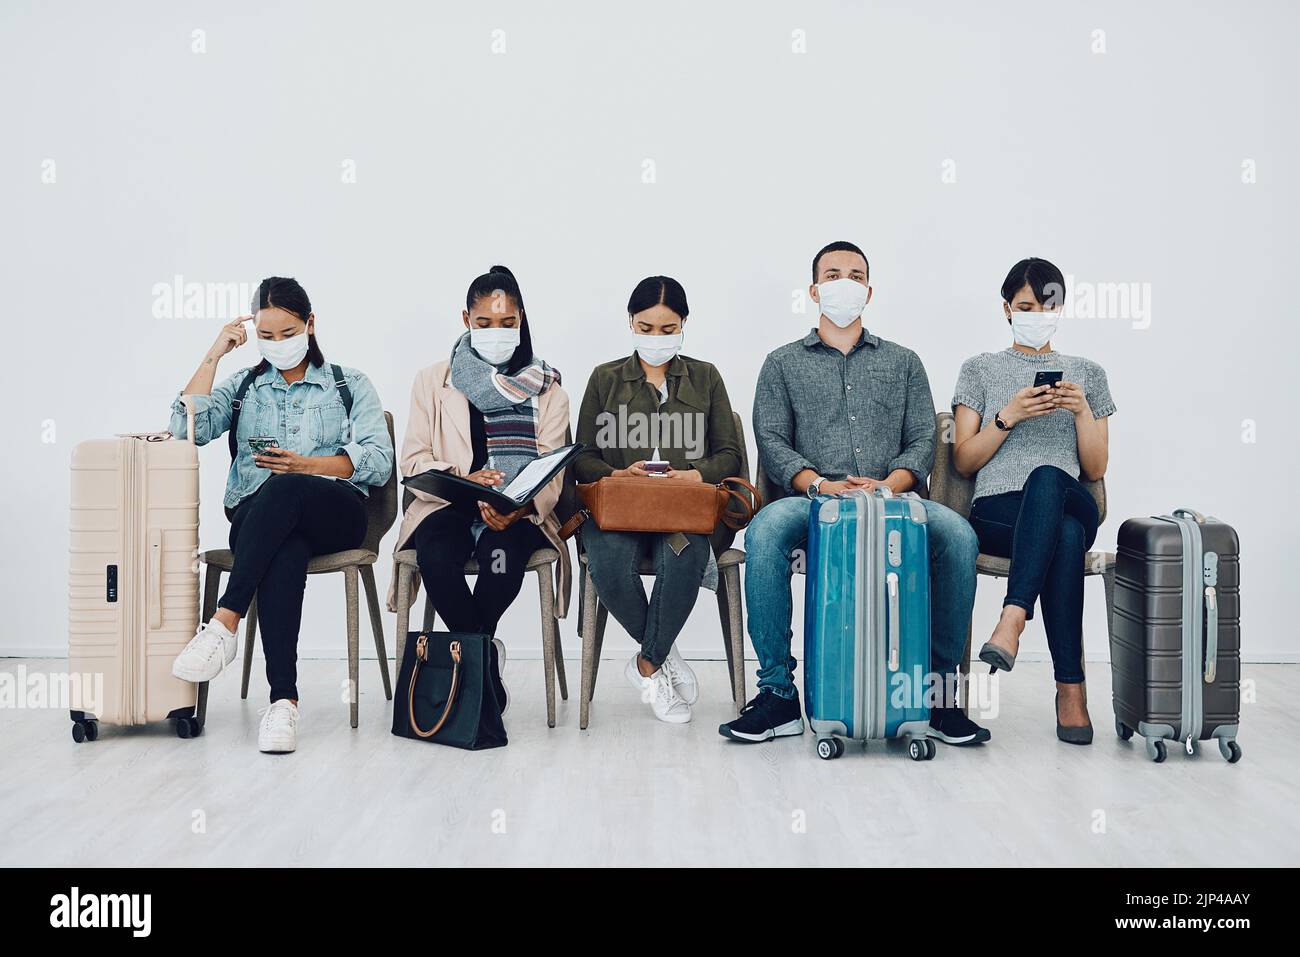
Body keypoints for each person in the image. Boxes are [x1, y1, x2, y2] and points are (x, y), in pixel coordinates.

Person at [720, 241, 988, 747]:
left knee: (957, 534)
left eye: (856, 274)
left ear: (868, 290)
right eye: (833, 274)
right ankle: (777, 695)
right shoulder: (781, 364)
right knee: (767, 530)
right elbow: (771, 439)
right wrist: (819, 484)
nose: (845, 282)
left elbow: (923, 440)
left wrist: (889, 485)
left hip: (896, 500)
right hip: (813, 499)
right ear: (815, 290)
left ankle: (935, 693)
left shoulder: (905, 362)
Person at [168, 277, 394, 754]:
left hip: (337, 512)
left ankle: (225, 621)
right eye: (266, 336)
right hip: (259, 518)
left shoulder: (348, 384)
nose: (277, 345)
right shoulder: (245, 386)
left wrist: (305, 466)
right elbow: (183, 429)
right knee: (285, 547)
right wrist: (214, 354)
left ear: (310, 325)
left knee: (287, 484)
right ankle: (284, 702)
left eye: (287, 333)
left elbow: (378, 459)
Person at [391, 266, 570, 714]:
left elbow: (552, 469)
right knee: (437, 558)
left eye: (507, 323)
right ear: (465, 319)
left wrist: (518, 506)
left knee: (501, 561)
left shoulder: (547, 388)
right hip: (448, 506)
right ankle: (483, 663)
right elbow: (413, 460)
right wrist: (461, 479)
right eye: (484, 322)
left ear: (522, 320)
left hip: (514, 514)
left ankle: (469, 660)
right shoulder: (432, 381)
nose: (496, 332)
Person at [951, 257, 1115, 744]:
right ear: (1007, 309)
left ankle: (1012, 617)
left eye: (1048, 304)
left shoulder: (1087, 373)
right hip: (999, 512)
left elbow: (1095, 469)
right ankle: (1071, 692)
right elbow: (962, 461)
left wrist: (1083, 411)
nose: (1037, 312)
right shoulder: (978, 369)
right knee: (1062, 536)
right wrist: (1008, 416)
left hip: (1070, 497)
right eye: (1026, 305)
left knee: (1049, 478)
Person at [573, 276, 743, 724]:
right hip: (619, 511)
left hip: (682, 510)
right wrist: (616, 474)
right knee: (608, 560)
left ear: (683, 325)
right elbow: (582, 456)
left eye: (667, 329)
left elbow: (729, 454)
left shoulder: (705, 377)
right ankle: (663, 658)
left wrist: (693, 474)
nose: (656, 338)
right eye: (645, 328)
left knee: (682, 554)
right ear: (631, 323)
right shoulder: (604, 378)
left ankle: (646, 664)